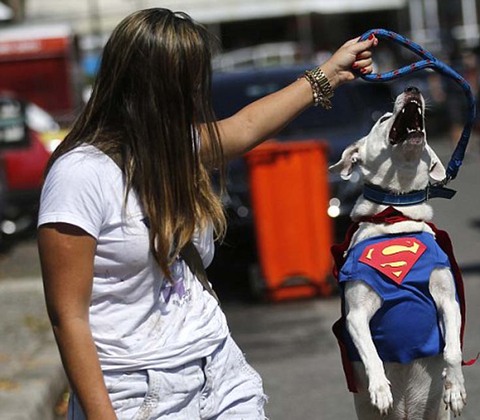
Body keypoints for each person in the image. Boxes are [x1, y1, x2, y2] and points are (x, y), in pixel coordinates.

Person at [37, 8, 377, 419]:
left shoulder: (170, 145)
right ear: (150, 86)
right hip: (138, 392)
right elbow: (67, 316)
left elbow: (245, 126)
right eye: (187, 81)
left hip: (218, 369)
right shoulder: (80, 174)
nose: (197, 94)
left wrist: (329, 74)